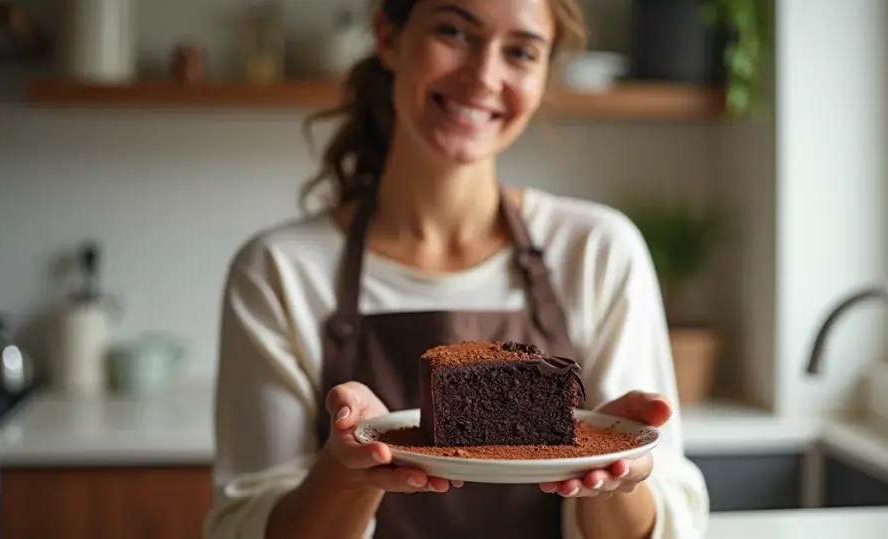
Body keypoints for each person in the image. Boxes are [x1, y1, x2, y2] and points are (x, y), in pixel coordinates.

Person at [203, 0, 710, 538]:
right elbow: (243, 528)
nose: (484, 76)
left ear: (542, 76)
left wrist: (613, 479)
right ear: (389, 37)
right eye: (453, 31)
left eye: (520, 51)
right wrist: (347, 474)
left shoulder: (598, 251)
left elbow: (670, 523)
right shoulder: (280, 270)